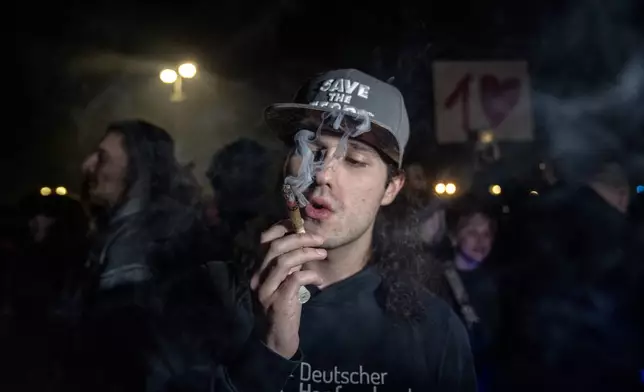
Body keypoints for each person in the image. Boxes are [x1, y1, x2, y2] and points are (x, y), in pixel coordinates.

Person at [212, 69, 476, 392]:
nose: (322, 174)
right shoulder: (207, 297)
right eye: (311, 149)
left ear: (391, 188)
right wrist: (267, 354)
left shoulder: (436, 331)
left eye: (354, 159)